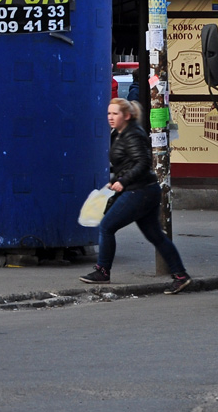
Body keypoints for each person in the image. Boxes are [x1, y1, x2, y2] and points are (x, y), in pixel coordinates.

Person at [80, 98, 193, 294]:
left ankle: (102, 271)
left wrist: (123, 181)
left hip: (139, 191)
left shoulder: (133, 135)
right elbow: (126, 164)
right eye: (109, 113)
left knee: (107, 226)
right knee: (155, 236)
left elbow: (143, 163)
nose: (110, 117)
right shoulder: (120, 134)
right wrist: (116, 179)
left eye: (115, 114)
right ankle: (181, 276)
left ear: (127, 115)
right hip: (143, 190)